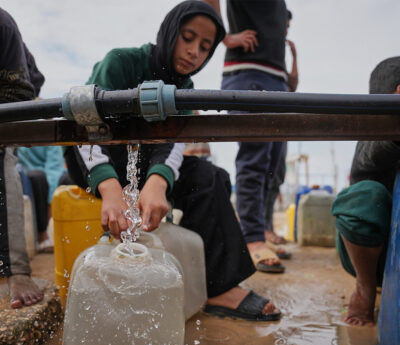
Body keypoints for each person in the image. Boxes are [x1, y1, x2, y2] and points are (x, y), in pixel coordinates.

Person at [65, 0, 281, 322]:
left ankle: (217, 287)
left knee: (212, 178)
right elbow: (85, 126)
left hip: (147, 163)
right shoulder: (120, 62)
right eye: (188, 37)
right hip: (98, 159)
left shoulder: (186, 86)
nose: (195, 52)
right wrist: (109, 188)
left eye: (206, 47)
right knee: (85, 145)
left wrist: (158, 182)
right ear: (169, 32)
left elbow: (175, 141)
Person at [206, 0, 289, 273]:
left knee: (273, 164)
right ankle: (252, 238)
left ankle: (262, 229)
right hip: (248, 72)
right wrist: (224, 36)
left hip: (277, 78)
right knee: (254, 160)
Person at [332, 56, 400, 326]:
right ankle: (365, 286)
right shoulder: (373, 133)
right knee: (364, 198)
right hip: (373, 252)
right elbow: (373, 155)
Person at [0, 8, 44, 308]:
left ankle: (16, 269)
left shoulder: (2, 25)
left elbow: (20, 95)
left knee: (1, 153)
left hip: (16, 87)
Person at [263, 9, 298, 248]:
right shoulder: (265, 48)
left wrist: (294, 54)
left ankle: (268, 227)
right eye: (283, 24)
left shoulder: (280, 54)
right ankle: (263, 229)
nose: (285, 29)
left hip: (281, 123)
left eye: (287, 26)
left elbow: (292, 86)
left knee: (276, 176)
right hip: (266, 122)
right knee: (263, 175)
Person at [18, 146, 67, 252]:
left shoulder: (49, 139)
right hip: (25, 174)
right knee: (35, 177)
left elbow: (54, 169)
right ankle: (41, 234)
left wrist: (50, 201)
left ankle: (51, 233)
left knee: (42, 178)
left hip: (49, 175)